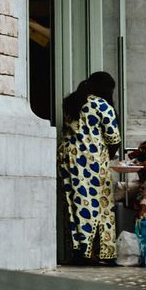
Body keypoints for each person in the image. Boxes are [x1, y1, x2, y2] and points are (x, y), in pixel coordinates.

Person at [57, 72, 120, 265]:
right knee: (96, 205)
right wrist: (108, 155)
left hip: (69, 158)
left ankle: (78, 249)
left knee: (74, 204)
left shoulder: (71, 102)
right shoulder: (102, 105)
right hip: (93, 160)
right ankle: (92, 252)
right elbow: (113, 137)